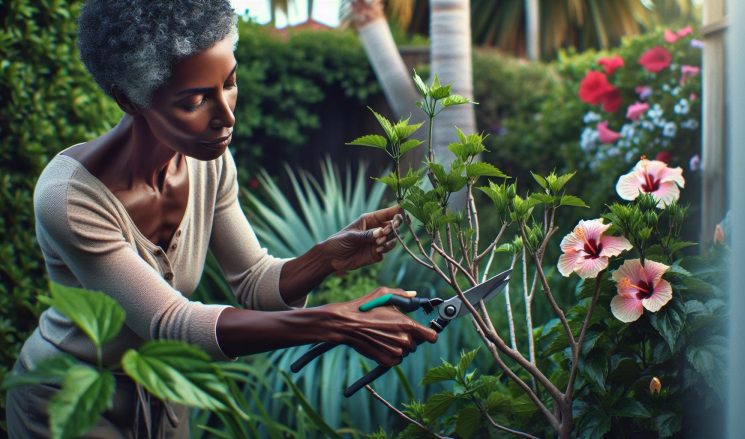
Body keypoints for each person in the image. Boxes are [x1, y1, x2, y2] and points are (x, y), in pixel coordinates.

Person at [5, 1, 438, 437]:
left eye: (229, 82)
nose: (227, 115)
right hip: (68, 403)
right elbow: (170, 325)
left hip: (165, 396)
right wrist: (334, 322)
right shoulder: (70, 198)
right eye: (195, 99)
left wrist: (325, 258)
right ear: (130, 98)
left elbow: (253, 280)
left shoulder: (207, 163)